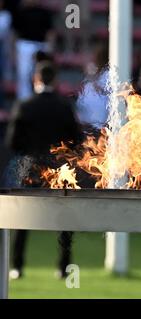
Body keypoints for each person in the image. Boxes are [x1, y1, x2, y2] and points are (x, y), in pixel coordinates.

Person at [3, 61, 83, 279]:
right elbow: (76, 140)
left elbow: (12, 141)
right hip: (59, 170)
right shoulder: (64, 106)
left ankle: (17, 266)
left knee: (22, 219)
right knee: (64, 221)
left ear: (36, 79)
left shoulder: (24, 105)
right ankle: (64, 267)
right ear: (55, 80)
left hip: (31, 170)